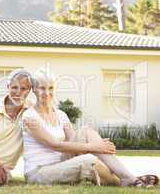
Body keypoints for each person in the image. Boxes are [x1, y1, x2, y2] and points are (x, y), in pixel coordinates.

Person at [22, 69, 159, 187]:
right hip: (39, 172)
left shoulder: (61, 115)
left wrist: (94, 146)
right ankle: (126, 180)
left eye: (50, 88)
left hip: (61, 162)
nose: (46, 92)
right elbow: (55, 145)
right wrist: (94, 147)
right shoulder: (29, 117)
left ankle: (128, 177)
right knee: (88, 160)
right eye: (42, 88)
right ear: (34, 89)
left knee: (85, 131)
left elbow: (73, 142)